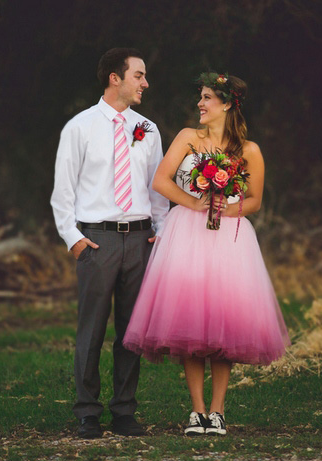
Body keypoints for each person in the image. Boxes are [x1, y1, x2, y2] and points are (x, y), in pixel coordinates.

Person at [123, 72, 290, 436]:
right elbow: (162, 181)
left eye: (208, 98)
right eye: (200, 97)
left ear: (227, 104)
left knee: (224, 324)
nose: (200, 104)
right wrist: (196, 202)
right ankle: (196, 411)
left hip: (229, 238)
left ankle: (218, 412)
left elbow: (255, 200)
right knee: (190, 322)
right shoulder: (187, 138)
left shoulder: (249, 151)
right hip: (186, 234)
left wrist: (229, 208)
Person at [51, 48, 169, 439]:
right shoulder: (79, 127)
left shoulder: (148, 129)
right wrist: (75, 240)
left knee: (131, 331)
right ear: (115, 78)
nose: (145, 83)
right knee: (92, 329)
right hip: (96, 241)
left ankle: (124, 412)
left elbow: (158, 189)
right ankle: (87, 412)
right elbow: (62, 193)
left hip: (139, 241)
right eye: (139, 75)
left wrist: (160, 232)